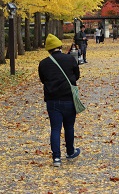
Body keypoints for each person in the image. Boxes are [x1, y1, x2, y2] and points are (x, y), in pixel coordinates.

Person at [38, 34, 82, 167]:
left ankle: (56, 158)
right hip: (69, 98)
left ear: (48, 49)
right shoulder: (69, 59)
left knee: (55, 128)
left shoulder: (43, 63)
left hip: (52, 100)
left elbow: (42, 80)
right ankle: (70, 151)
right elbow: (77, 75)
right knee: (69, 126)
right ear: (59, 46)